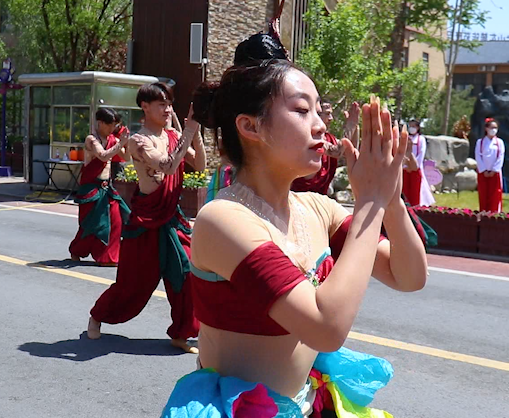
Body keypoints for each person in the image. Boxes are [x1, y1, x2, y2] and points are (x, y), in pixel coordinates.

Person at [161, 56, 428, 417]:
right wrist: (370, 203)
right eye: (302, 110)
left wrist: (390, 200)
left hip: (308, 401)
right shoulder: (223, 219)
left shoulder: (318, 208)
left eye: (319, 111)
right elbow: (325, 329)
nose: (320, 126)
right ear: (250, 126)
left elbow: (409, 276)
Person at [87, 82, 207, 354]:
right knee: (133, 284)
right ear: (145, 106)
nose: (167, 109)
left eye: (169, 104)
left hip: (172, 218)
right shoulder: (137, 140)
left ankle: (181, 333)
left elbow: (199, 165)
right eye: (161, 104)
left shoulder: (175, 135)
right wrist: (187, 131)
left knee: (187, 275)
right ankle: (97, 315)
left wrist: (194, 131)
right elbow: (167, 166)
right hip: (145, 221)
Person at [69, 108, 131, 267]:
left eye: (114, 126)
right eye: (110, 125)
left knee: (116, 221)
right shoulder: (91, 139)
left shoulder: (113, 139)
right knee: (91, 225)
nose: (112, 129)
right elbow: (103, 155)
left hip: (107, 188)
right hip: (91, 188)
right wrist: (120, 143)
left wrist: (126, 142)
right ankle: (77, 250)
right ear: (100, 123)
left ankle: (109, 257)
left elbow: (126, 157)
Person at [402, 118, 435, 207]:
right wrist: (405, 165)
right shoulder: (405, 138)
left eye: (414, 126)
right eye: (410, 126)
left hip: (415, 169)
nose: (411, 128)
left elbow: (421, 154)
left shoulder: (421, 139)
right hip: (405, 169)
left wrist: (414, 165)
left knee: (416, 191)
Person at [474, 117, 505, 213]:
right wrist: (483, 170)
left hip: (495, 173)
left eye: (495, 128)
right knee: (483, 193)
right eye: (491, 128)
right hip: (483, 173)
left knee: (495, 193)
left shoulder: (499, 142)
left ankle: (495, 213)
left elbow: (500, 156)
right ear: (486, 129)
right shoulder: (480, 142)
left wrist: (494, 170)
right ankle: (483, 212)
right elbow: (478, 156)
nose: (493, 130)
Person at [111, 113, 129, 181]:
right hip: (110, 159)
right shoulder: (110, 131)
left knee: (119, 180)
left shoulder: (124, 132)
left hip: (120, 160)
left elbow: (127, 146)